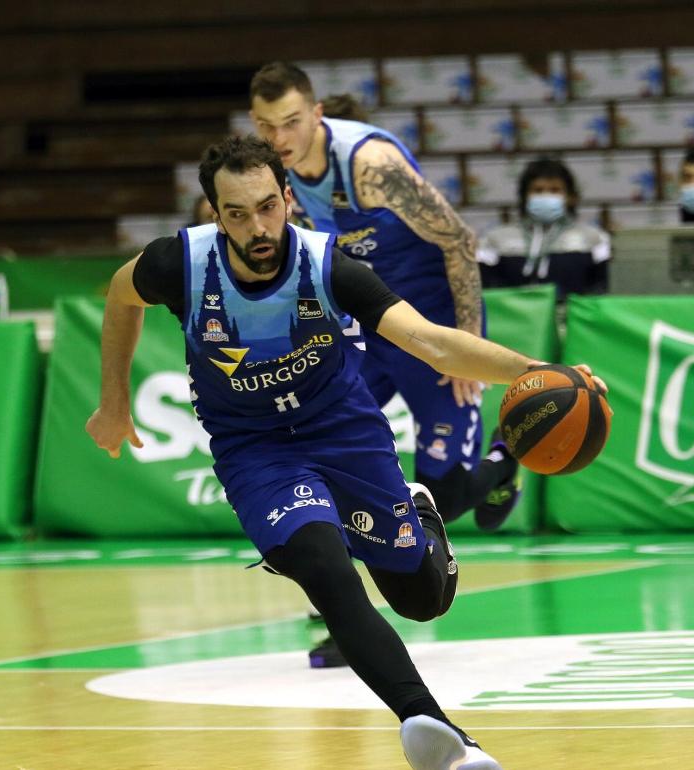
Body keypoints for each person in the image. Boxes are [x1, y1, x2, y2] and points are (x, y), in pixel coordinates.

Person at [85, 135, 606, 770]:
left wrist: (540, 369)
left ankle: (423, 516)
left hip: (344, 434)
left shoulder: (328, 266)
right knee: (326, 570)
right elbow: (119, 295)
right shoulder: (179, 266)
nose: (257, 226)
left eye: (266, 206)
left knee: (421, 599)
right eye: (237, 213)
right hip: (257, 452)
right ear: (214, 214)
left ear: (286, 199)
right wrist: (114, 401)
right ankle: (439, 733)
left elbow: (434, 344)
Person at [248, 62, 520, 535]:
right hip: (367, 324)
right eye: (267, 126)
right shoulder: (274, 173)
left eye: (291, 122)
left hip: (432, 327)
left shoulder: (370, 166)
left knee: (449, 500)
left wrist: (466, 344)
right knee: (318, 456)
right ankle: (336, 585)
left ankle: (506, 456)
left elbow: (459, 240)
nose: (279, 138)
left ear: (316, 113)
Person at [476, 157, 611, 300]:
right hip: (514, 318)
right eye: (538, 190)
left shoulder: (594, 238)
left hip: (571, 318)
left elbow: (599, 292)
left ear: (571, 197)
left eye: (555, 190)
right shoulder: (494, 239)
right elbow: (487, 292)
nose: (546, 196)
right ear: (524, 197)